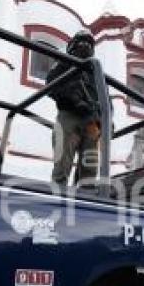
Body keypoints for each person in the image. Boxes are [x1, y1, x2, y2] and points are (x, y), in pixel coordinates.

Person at [45, 29, 101, 185]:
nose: (86, 46)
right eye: (82, 42)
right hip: (69, 114)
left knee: (91, 167)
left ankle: (85, 200)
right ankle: (59, 197)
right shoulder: (63, 63)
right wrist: (74, 99)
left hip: (92, 121)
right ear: (74, 45)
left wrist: (106, 118)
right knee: (62, 164)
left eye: (89, 44)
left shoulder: (95, 71)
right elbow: (51, 84)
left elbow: (105, 98)